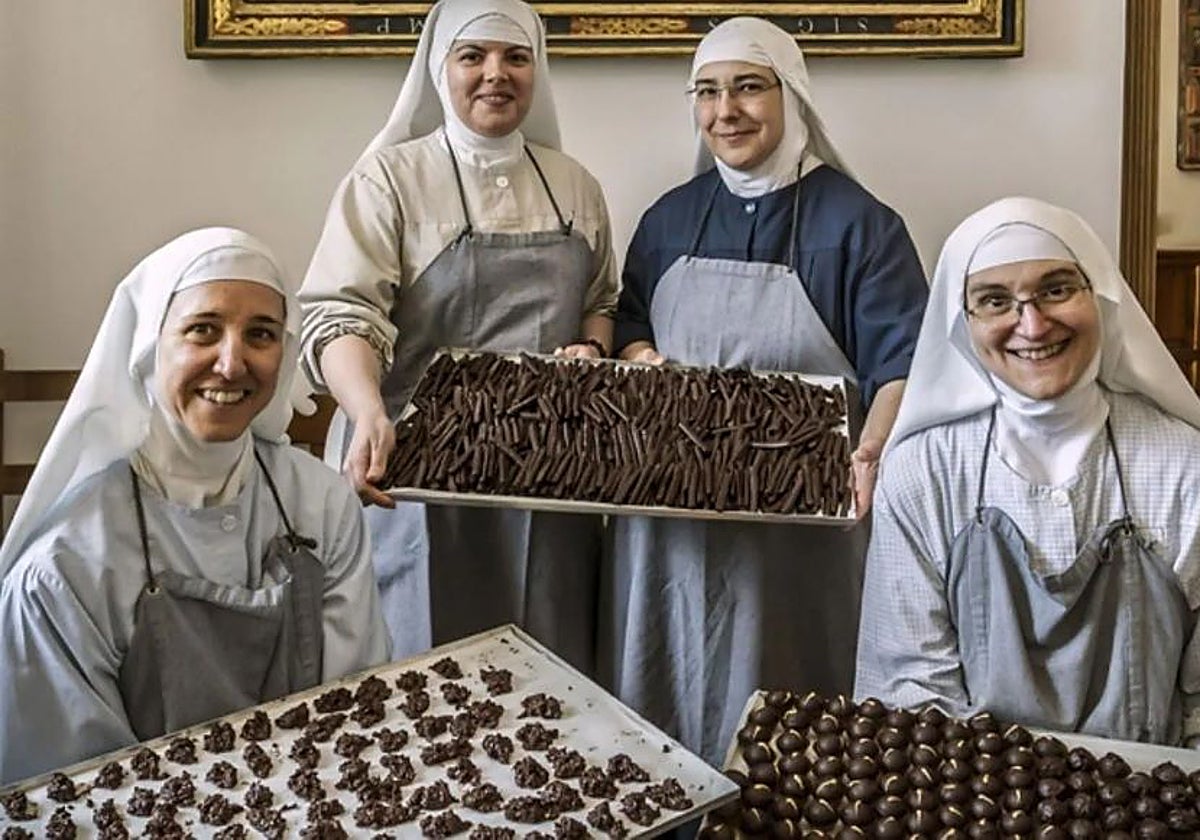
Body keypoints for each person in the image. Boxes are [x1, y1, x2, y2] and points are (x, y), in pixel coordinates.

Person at [601, 17, 928, 765]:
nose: (727, 111)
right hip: (669, 518)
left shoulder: (860, 225)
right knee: (668, 700)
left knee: (791, 706)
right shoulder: (668, 217)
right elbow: (631, 321)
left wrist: (872, 447)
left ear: (793, 98)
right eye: (708, 92)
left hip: (802, 524)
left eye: (750, 87)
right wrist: (646, 356)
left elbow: (903, 363)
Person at [0, 228, 389, 784]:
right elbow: (75, 791)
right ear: (149, 345)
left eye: (261, 334)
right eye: (202, 330)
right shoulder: (63, 567)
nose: (232, 364)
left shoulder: (322, 505)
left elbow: (353, 708)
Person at [298, 0, 617, 669]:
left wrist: (591, 346)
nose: (494, 74)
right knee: (418, 672)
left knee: (546, 673)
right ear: (440, 70)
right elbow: (340, 316)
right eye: (472, 56)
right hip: (409, 467)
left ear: (538, 70)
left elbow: (601, 301)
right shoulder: (389, 180)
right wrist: (365, 412)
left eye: (515, 57)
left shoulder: (575, 186)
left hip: (547, 471)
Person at [855, 197, 1200, 744]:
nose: (1033, 325)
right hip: (967, 804)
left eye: (1057, 289)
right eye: (995, 301)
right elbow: (911, 691)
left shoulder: (1185, 466)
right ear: (961, 322)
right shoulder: (922, 472)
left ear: (1101, 296)